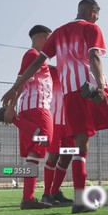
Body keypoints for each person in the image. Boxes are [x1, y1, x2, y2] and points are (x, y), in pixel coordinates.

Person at [1, 0, 108, 213]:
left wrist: (16, 87)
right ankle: (50, 193)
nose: (97, 17)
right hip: (83, 88)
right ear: (93, 11)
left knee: (76, 148)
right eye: (97, 13)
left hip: (71, 96)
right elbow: (94, 55)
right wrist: (99, 85)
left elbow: (36, 64)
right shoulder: (91, 27)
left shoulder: (59, 34)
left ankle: (76, 200)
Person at [0, 25, 54, 209]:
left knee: (33, 156)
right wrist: (10, 109)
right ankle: (12, 118)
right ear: (41, 37)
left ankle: (28, 199)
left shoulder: (41, 59)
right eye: (50, 37)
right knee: (46, 138)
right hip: (36, 107)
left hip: (30, 109)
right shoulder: (32, 55)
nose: (52, 42)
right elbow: (20, 80)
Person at [40, 66, 74, 205]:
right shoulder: (50, 70)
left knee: (68, 155)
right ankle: (46, 194)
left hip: (71, 123)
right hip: (53, 122)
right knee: (53, 155)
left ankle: (55, 191)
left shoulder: (76, 73)